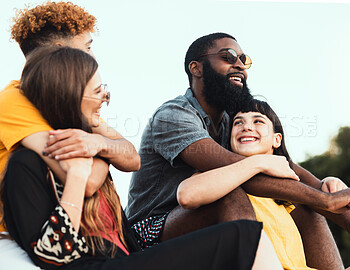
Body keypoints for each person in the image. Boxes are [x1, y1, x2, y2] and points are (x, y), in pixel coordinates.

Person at [1, 45, 283, 270]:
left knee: (246, 238)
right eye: (98, 92)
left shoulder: (94, 150)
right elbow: (52, 257)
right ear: (69, 95)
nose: (105, 100)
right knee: (243, 238)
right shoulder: (24, 166)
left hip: (125, 260)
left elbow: (129, 158)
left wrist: (98, 148)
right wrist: (75, 177)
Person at [126, 32, 350, 269]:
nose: (239, 64)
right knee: (230, 192)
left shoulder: (232, 120)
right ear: (196, 67)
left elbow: (287, 168)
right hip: (150, 233)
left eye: (243, 59)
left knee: (301, 202)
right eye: (228, 56)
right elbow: (234, 170)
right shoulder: (173, 115)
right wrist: (323, 200)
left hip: (197, 221)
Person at [177, 98, 350, 270]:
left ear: (277, 140)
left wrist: (330, 185)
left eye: (258, 121)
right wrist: (257, 163)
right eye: (238, 123)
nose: (246, 127)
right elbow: (187, 194)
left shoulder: (289, 191)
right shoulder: (222, 177)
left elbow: (314, 190)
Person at [0, 2, 137, 267]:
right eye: (87, 47)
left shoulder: (68, 100)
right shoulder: (13, 101)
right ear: (60, 52)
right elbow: (82, 180)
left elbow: (131, 157)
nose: (93, 57)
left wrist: (97, 143)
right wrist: (104, 150)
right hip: (23, 239)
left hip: (73, 232)